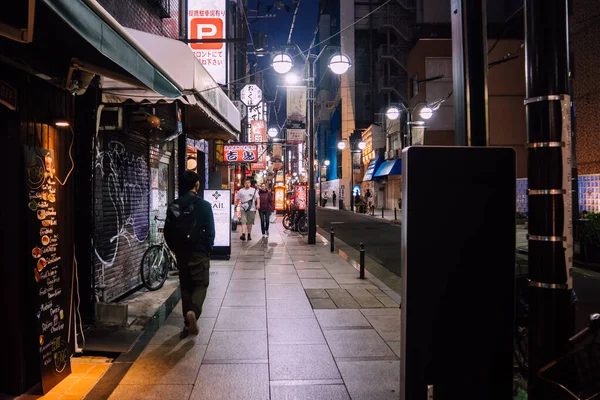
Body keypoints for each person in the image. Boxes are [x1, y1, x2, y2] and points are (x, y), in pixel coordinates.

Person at [170, 170, 215, 337]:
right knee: (201, 284)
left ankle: (187, 323)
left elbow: (168, 231)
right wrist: (207, 248)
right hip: (199, 253)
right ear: (197, 184)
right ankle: (193, 313)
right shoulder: (204, 205)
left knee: (186, 286)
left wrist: (176, 249)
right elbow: (210, 232)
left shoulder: (174, 205)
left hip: (182, 252)